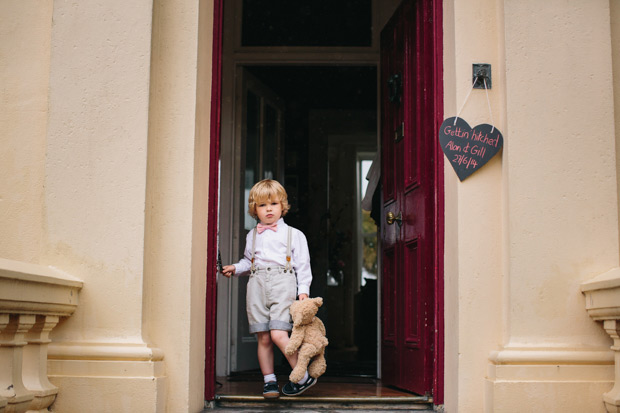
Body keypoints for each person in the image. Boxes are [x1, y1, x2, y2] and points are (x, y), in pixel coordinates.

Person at [222, 179, 316, 398]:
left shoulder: (294, 234)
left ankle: (302, 375)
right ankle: (269, 381)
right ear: (255, 210)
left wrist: (303, 291)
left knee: (278, 334)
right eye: (262, 205)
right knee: (263, 336)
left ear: (282, 205)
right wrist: (235, 268)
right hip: (257, 285)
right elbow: (249, 262)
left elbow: (303, 266)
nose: (269, 209)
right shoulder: (252, 235)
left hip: (283, 284)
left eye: (273, 203)